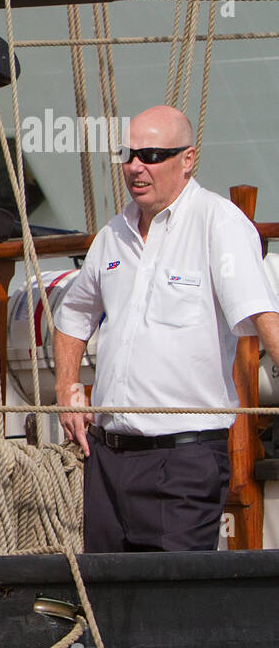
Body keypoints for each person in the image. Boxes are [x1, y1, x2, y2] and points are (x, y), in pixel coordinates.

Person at [53, 105, 279, 552]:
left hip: (182, 461)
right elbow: (73, 316)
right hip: (107, 459)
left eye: (152, 154)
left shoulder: (219, 224)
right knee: (107, 609)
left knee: (168, 607)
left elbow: (263, 314)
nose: (136, 167)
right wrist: (66, 390)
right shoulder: (112, 236)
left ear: (188, 159)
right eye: (129, 154)